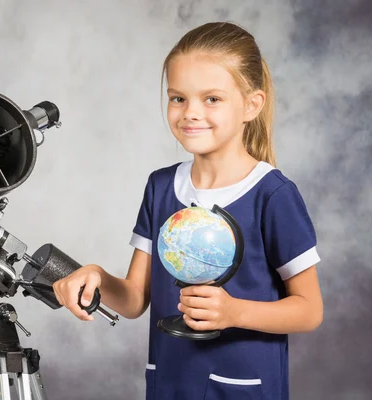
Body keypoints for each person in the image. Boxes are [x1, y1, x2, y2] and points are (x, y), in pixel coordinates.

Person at [52, 21, 323, 399]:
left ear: (251, 105)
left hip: (242, 388)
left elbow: (309, 310)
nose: (190, 113)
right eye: (178, 98)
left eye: (212, 99)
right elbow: (134, 300)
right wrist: (96, 275)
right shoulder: (160, 186)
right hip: (172, 383)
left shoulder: (273, 194)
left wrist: (234, 313)